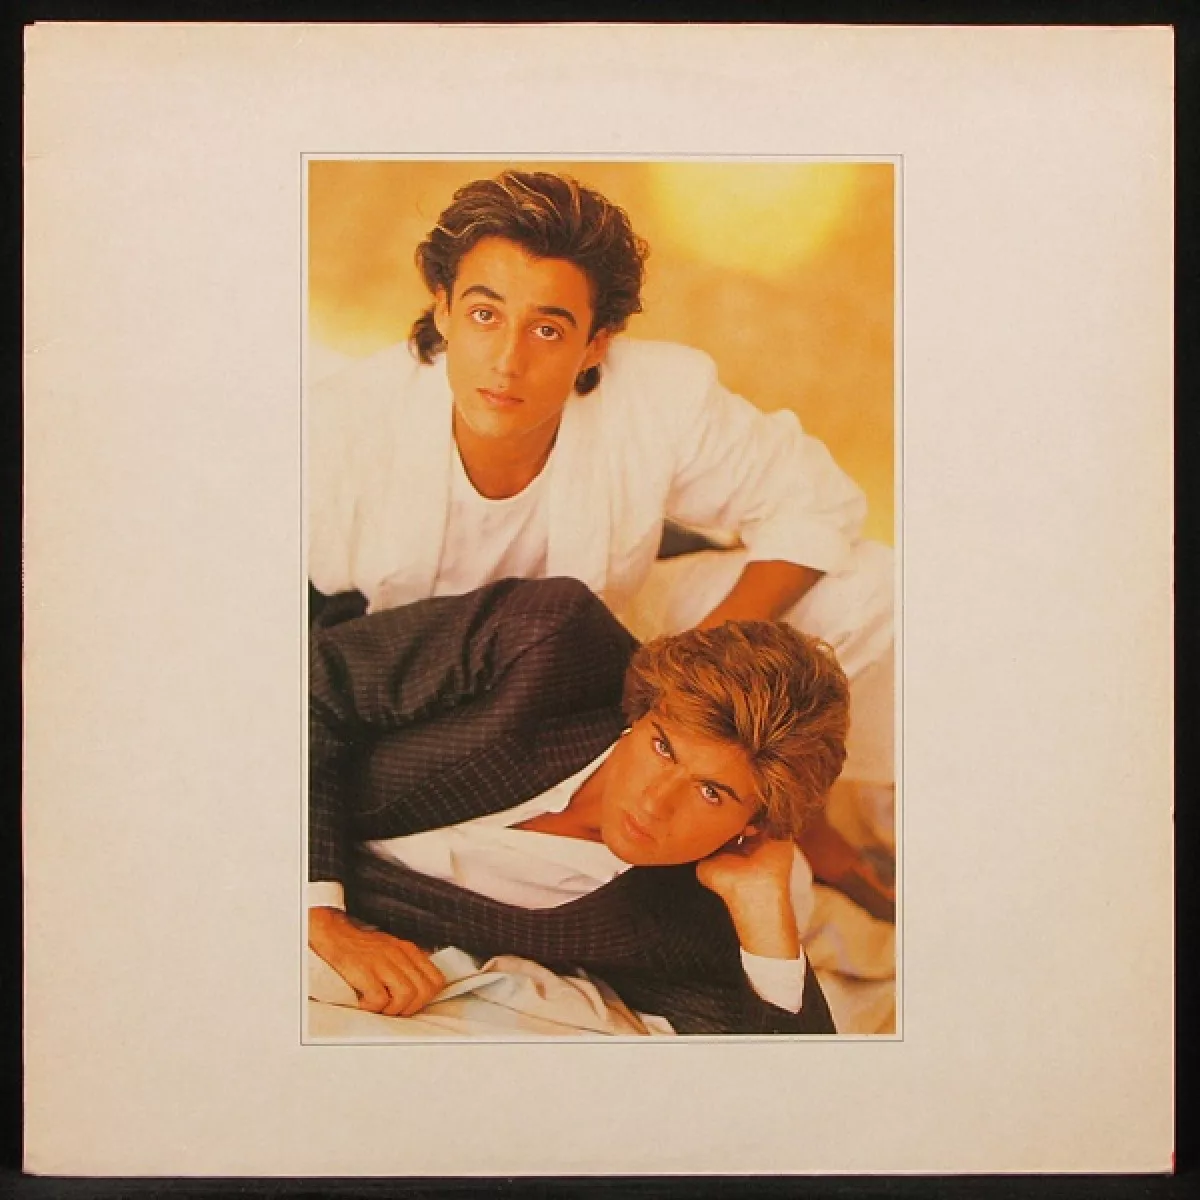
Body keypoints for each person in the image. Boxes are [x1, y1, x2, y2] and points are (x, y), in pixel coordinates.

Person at [307, 169, 894, 913]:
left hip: (617, 656)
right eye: (485, 315)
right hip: (432, 694)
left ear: (595, 343)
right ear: (444, 310)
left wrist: (694, 672)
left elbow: (813, 502)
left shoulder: (657, 394)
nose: (509, 360)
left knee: (873, 587)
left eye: (548, 329)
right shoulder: (338, 432)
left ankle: (791, 805)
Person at [308, 577, 850, 1035]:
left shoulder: (684, 924)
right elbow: (311, 689)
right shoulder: (549, 641)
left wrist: (764, 911)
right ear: (643, 710)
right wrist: (319, 914)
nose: (655, 803)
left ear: (754, 823)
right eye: (663, 748)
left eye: (712, 792)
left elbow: (785, 1086)